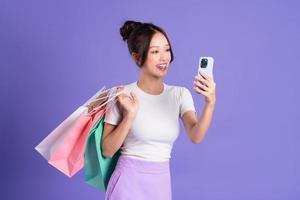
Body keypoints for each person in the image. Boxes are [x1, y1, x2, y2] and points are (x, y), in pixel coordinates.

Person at [102, 20, 216, 200]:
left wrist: (210, 101)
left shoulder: (179, 94)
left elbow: (196, 136)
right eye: (155, 51)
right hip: (127, 183)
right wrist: (129, 116)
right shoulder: (122, 94)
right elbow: (107, 150)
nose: (164, 58)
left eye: (167, 49)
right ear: (137, 57)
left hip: (161, 185)